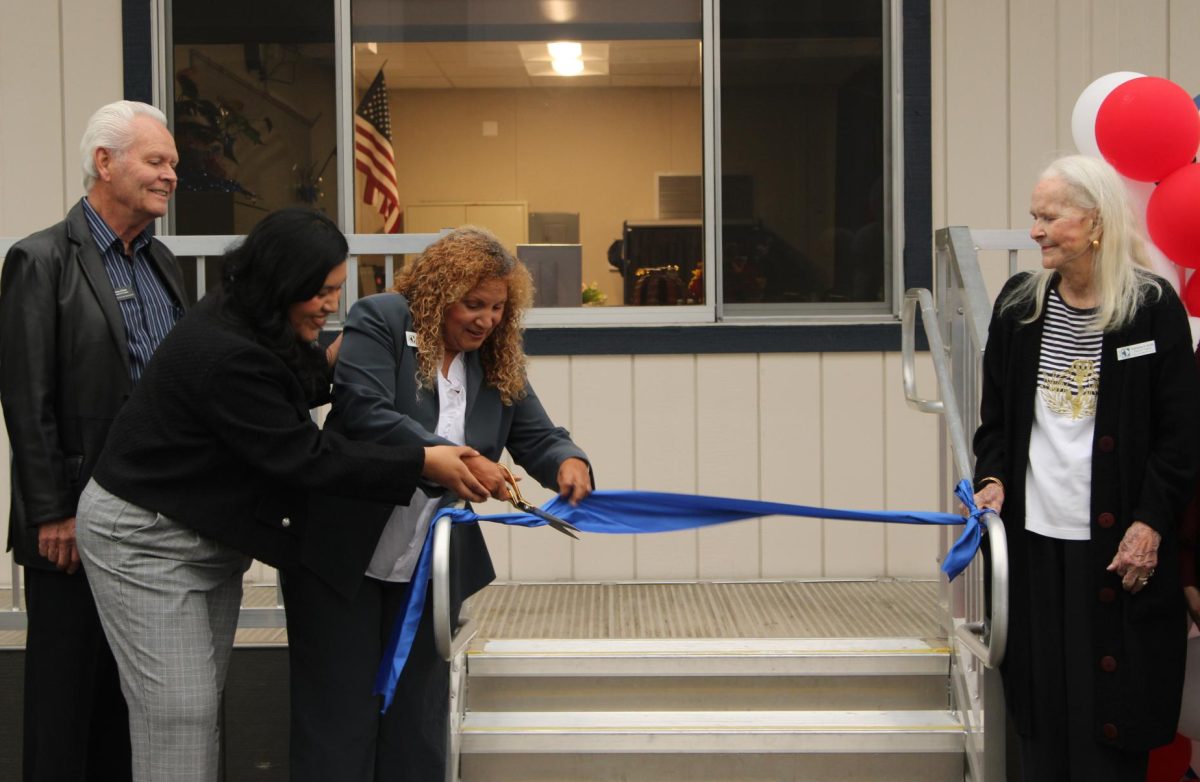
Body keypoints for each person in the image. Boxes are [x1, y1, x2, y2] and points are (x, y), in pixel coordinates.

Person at [72, 208, 488, 782]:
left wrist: (340, 357)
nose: (329, 306)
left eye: (338, 291)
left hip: (206, 536)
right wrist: (423, 460)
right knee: (180, 714)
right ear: (280, 283)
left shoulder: (251, 317)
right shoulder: (225, 352)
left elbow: (289, 377)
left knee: (196, 703)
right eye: (319, 293)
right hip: (147, 539)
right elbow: (303, 456)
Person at [284, 225, 592, 782]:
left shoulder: (496, 357)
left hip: (430, 567)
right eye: (473, 304)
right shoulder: (381, 318)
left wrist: (569, 463)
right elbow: (363, 411)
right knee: (339, 720)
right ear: (436, 293)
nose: (487, 319)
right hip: (341, 556)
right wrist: (449, 456)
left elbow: (539, 436)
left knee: (417, 721)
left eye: (499, 307)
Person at [971, 154, 1198, 780]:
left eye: (1050, 217)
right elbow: (995, 422)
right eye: (1033, 218)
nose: (1036, 230)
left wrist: (1150, 522)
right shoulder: (1020, 305)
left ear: (1095, 222)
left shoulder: (1151, 307)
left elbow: (1181, 437)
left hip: (1119, 548)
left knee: (1113, 710)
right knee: (1042, 706)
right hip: (1037, 542)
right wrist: (991, 480)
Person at [0, 99, 186, 781]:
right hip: (73, 525)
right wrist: (52, 511)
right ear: (104, 163)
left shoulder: (162, 264)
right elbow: (27, 398)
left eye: (173, 164)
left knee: (124, 702)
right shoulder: (40, 260)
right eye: (156, 160)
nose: (170, 175)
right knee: (64, 704)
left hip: (152, 523)